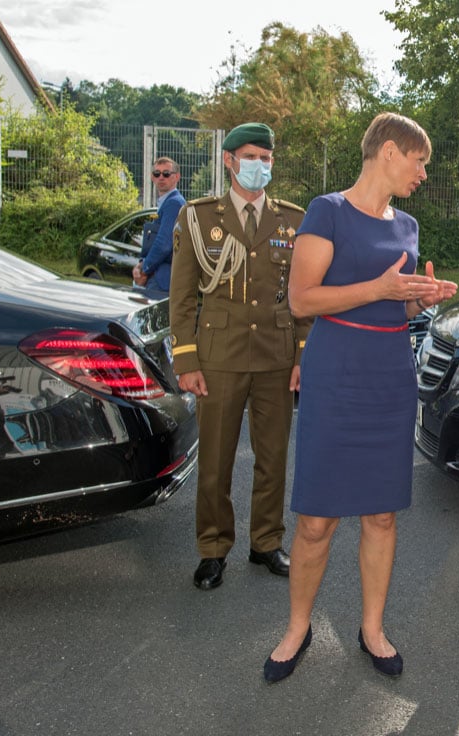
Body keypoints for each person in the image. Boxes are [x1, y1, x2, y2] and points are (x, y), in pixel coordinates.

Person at [263, 112, 457, 683]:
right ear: (390, 151)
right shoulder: (327, 211)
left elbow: (392, 306)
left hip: (389, 374)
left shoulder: (408, 225)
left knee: (381, 514)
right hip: (336, 371)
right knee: (317, 520)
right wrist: (382, 287)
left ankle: (372, 628)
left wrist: (419, 300)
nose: (423, 172)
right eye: (419, 161)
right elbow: (301, 300)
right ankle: (298, 627)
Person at [169, 123, 310, 591]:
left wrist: (302, 355)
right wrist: (187, 361)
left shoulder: (292, 218)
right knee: (216, 460)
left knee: (272, 457)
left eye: (267, 158)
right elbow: (183, 296)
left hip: (275, 354)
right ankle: (212, 549)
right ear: (229, 160)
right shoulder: (198, 216)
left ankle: (266, 542)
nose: (260, 166)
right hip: (219, 356)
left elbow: (302, 296)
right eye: (251, 156)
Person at [133, 156, 185, 292]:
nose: (161, 178)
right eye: (157, 174)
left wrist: (144, 269)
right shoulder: (166, 203)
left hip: (163, 279)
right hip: (161, 276)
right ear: (152, 177)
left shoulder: (174, 203)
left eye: (166, 174)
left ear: (177, 177)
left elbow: (164, 243)